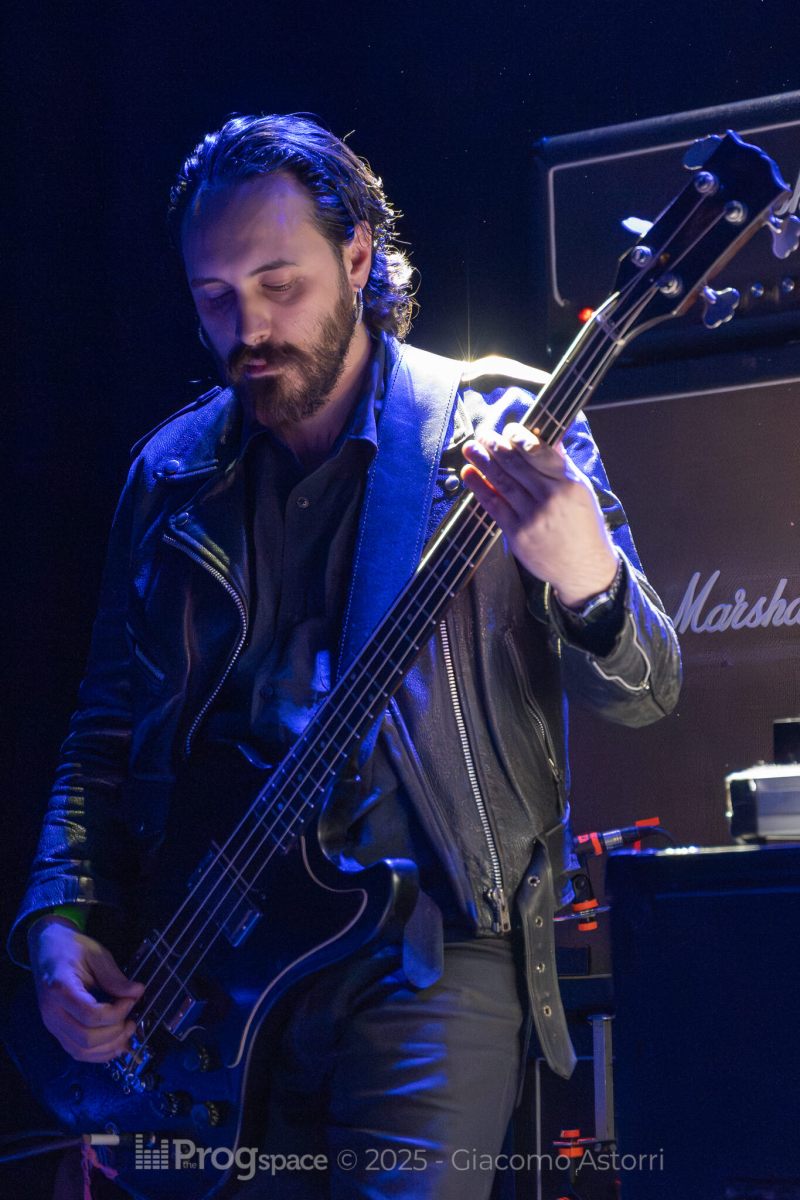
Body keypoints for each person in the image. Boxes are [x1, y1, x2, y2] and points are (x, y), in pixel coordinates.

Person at [9, 113, 681, 1199]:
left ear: (358, 257)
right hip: (211, 967)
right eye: (215, 297)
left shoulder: (500, 425)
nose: (248, 327)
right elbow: (104, 728)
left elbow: (649, 692)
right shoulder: (169, 475)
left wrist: (584, 575)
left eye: (280, 285)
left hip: (433, 951)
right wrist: (58, 918)